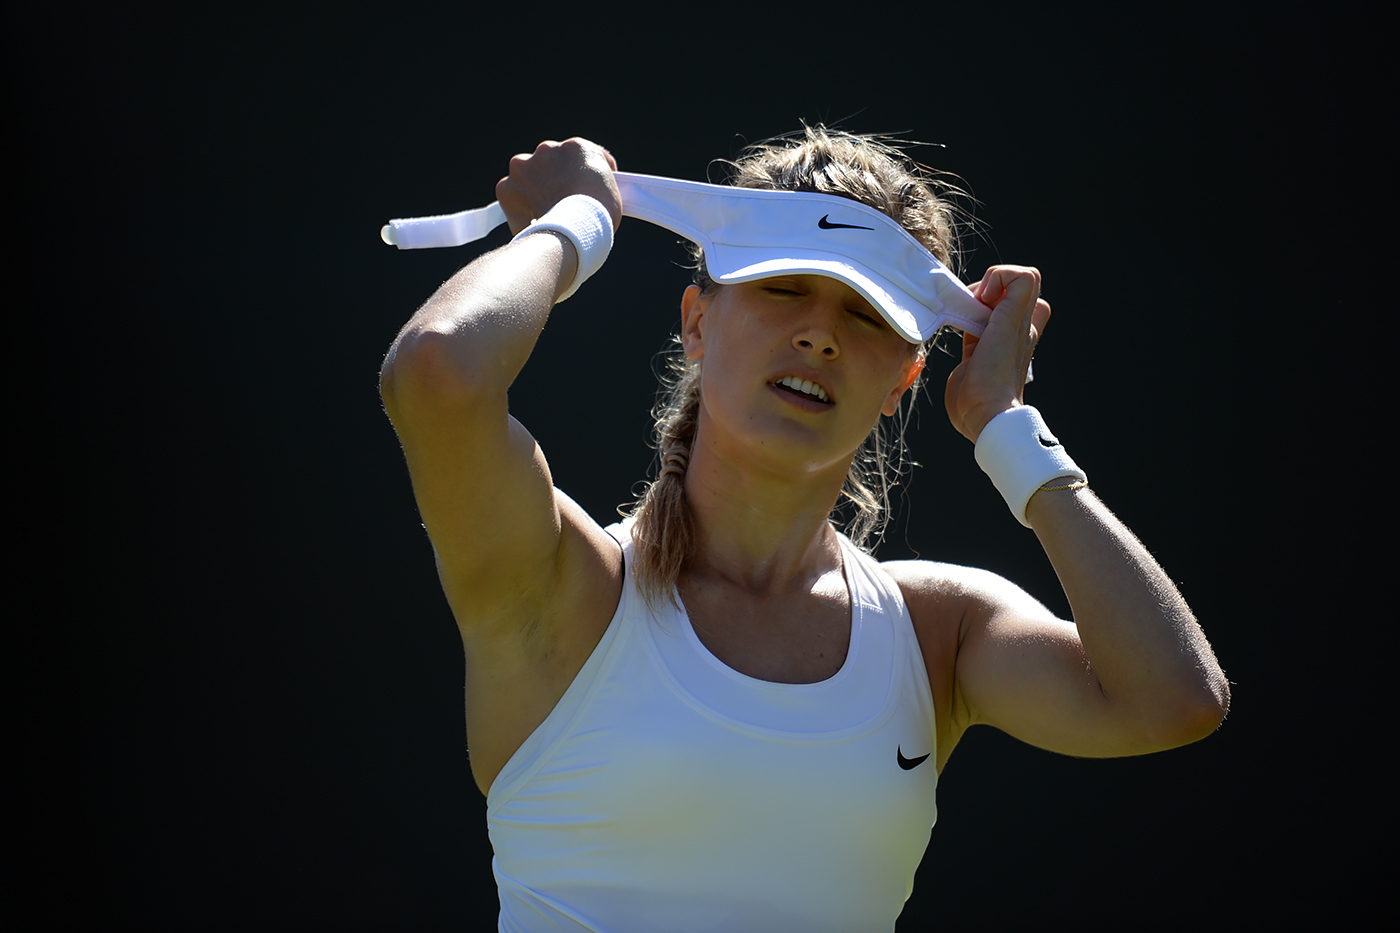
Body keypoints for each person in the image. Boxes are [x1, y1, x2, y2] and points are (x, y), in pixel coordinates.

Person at [378, 127, 1229, 932]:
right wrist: (578, 222)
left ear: (904, 379)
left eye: (866, 314)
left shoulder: (940, 629)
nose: (819, 333)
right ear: (698, 321)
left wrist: (1005, 424)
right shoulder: (566, 585)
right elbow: (436, 371)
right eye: (783, 287)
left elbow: (1174, 699)